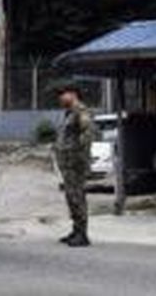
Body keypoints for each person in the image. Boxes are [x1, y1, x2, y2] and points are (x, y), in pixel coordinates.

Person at [54, 81, 94, 247]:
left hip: (75, 163)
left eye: (62, 94)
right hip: (68, 164)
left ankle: (82, 234)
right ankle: (76, 230)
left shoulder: (80, 111)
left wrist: (79, 156)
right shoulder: (69, 113)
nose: (60, 98)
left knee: (77, 196)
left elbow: (88, 133)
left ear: (72, 94)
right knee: (71, 196)